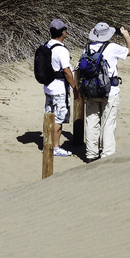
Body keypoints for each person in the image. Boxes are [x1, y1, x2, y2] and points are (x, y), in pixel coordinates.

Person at [78, 22, 130, 162]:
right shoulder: (113, 47)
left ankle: (91, 154)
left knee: (91, 122)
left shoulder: (87, 48)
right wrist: (126, 36)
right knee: (108, 123)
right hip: (110, 91)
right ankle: (107, 154)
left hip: (91, 90)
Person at [41, 18, 76, 157]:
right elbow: (66, 71)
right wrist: (74, 87)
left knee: (49, 115)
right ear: (63, 33)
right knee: (59, 118)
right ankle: (55, 146)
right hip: (59, 88)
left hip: (48, 87)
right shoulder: (61, 50)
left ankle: (47, 144)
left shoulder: (46, 46)